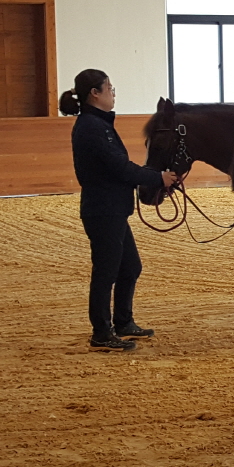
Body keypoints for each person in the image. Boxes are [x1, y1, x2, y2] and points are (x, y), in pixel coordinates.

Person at [63, 70, 180, 352]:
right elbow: (120, 167)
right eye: (110, 88)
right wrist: (158, 177)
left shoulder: (97, 124)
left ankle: (123, 321)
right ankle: (101, 333)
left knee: (130, 267)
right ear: (95, 93)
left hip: (111, 209)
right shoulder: (92, 126)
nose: (113, 94)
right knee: (106, 272)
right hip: (104, 210)